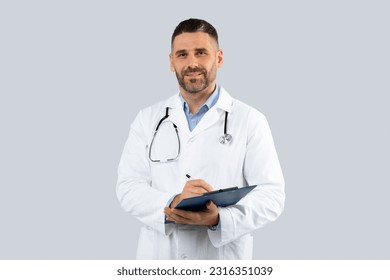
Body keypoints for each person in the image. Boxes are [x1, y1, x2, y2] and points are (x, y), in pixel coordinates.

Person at [116, 18, 285, 260]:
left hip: (220, 260)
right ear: (171, 62)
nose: (192, 62)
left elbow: (272, 195)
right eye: (182, 54)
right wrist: (173, 202)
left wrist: (220, 219)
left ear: (219, 58)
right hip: (160, 259)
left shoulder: (250, 120)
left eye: (201, 52)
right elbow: (127, 186)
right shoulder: (147, 119)